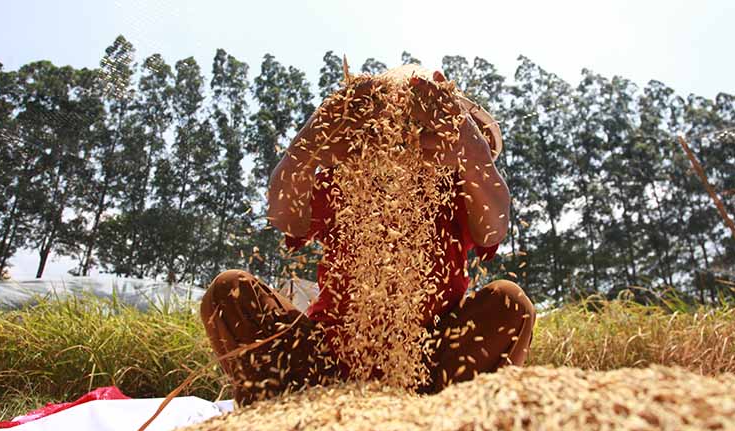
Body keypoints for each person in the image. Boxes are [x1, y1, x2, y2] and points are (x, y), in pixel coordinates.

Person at [200, 65, 536, 406]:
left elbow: (495, 226)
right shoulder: (347, 180)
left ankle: (446, 419)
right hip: (323, 365)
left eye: (421, 126)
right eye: (401, 124)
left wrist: (472, 153)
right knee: (230, 291)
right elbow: (285, 217)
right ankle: (283, 412)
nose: (408, 139)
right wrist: (310, 141)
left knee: (511, 303)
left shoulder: (460, 188)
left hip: (433, 366)